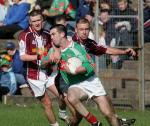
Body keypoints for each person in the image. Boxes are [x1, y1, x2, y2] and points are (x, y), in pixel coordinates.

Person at [49, 24, 121, 126]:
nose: (51, 37)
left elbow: (91, 65)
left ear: (62, 34)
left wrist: (76, 70)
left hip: (90, 81)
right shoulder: (54, 48)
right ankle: (95, 122)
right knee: (71, 96)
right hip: (76, 84)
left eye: (53, 34)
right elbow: (43, 62)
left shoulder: (76, 48)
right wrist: (49, 58)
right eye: (50, 35)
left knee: (108, 114)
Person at [18, 10, 66, 126]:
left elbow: (56, 47)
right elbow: (22, 57)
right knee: (47, 103)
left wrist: (56, 53)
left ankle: (62, 112)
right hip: (33, 75)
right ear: (30, 22)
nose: (37, 23)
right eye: (34, 21)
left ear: (43, 20)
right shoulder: (24, 36)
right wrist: (40, 56)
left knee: (63, 96)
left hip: (48, 73)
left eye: (39, 20)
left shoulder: (47, 33)